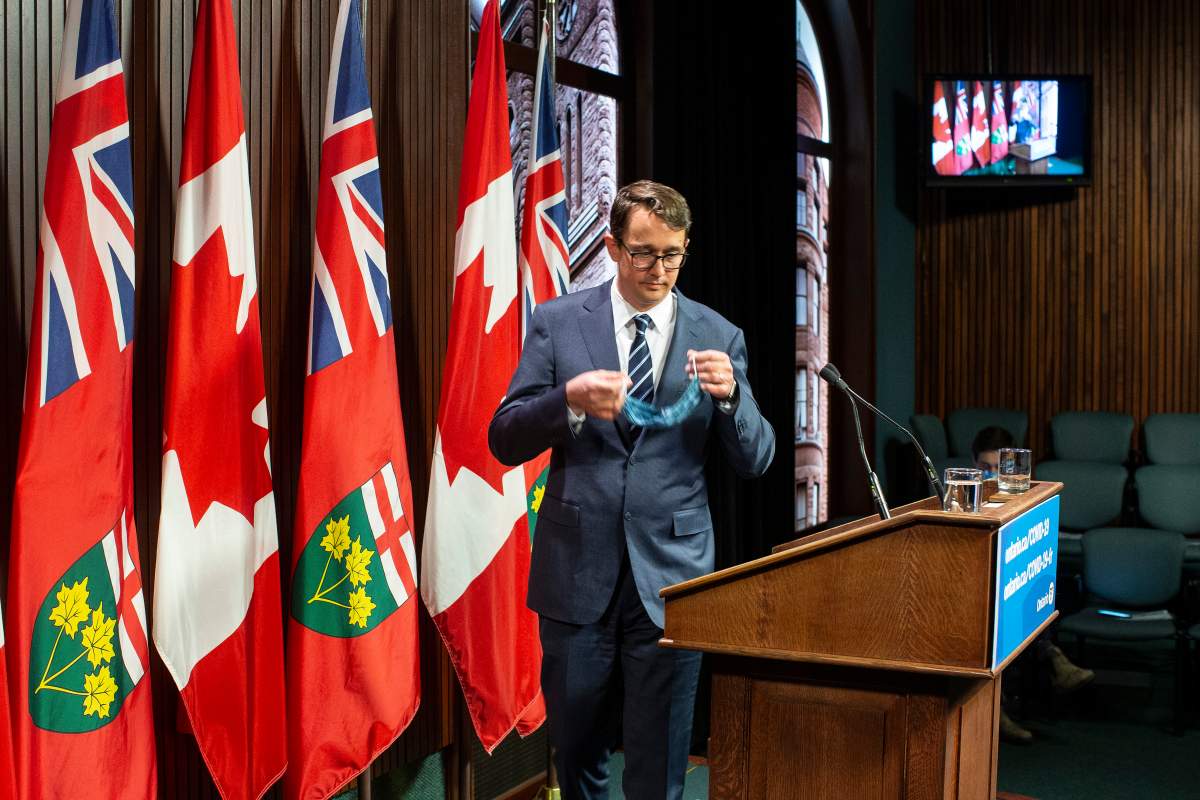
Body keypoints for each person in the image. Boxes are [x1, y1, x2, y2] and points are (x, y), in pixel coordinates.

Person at [489, 180, 775, 799]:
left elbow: (756, 459)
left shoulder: (718, 334)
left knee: (659, 767)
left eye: (672, 254)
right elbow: (504, 437)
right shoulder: (560, 323)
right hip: (575, 576)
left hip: (671, 579)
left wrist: (732, 402)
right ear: (616, 248)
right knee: (580, 760)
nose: (659, 269)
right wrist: (564, 401)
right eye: (644, 253)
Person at [972, 426, 1095, 743]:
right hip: (975, 590)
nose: (991, 474)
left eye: (998, 468)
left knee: (1030, 592)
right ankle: (1052, 659)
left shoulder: (1023, 498)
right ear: (974, 465)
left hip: (1004, 587)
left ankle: (1006, 703)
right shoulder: (963, 496)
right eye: (984, 468)